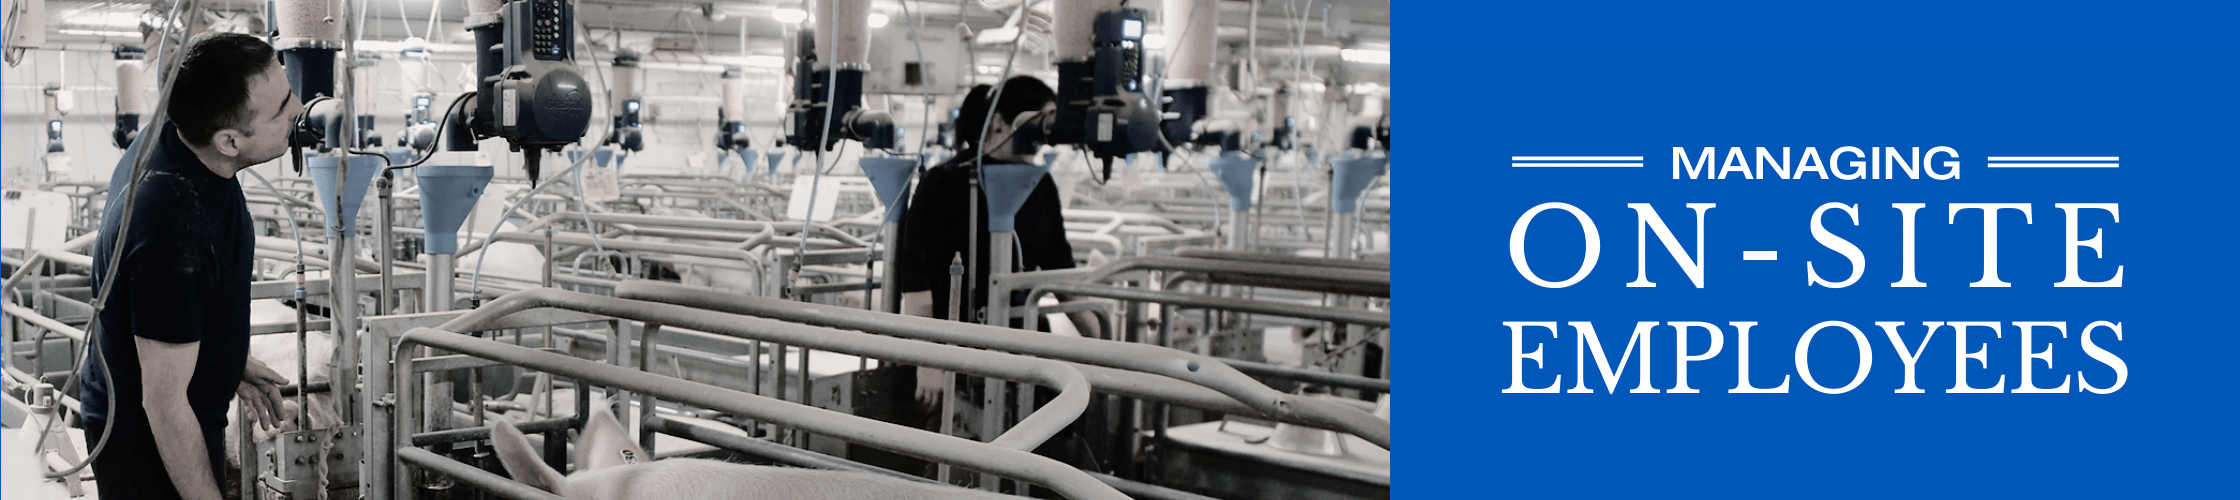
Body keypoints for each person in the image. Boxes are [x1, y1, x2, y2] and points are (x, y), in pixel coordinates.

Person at [78, 32, 303, 500]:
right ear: (229, 140)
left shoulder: (182, 134)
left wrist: (227, 357)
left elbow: (159, 310)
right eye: (282, 107)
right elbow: (163, 405)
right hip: (147, 445)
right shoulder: (172, 225)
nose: (298, 108)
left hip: (168, 403)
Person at [896, 75, 1099, 336]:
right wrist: (928, 368)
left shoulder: (1039, 184)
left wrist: (1103, 343)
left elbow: (1060, 272)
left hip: (1023, 336)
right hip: (955, 339)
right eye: (1040, 121)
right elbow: (917, 277)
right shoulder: (944, 182)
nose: (1044, 135)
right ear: (1000, 122)